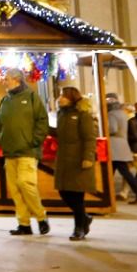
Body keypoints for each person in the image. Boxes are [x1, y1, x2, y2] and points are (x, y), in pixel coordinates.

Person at [0, 69, 50, 236]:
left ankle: (41, 217)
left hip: (28, 151)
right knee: (15, 190)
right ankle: (24, 224)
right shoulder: (5, 100)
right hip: (10, 151)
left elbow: (42, 120)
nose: (4, 81)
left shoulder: (32, 97)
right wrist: (1, 139)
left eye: (6, 79)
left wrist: (35, 141)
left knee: (26, 184)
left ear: (16, 80)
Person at [54, 87, 98, 240]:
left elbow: (90, 138)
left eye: (63, 96)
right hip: (64, 160)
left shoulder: (82, 114)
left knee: (77, 195)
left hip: (78, 160)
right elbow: (59, 133)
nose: (60, 98)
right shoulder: (62, 114)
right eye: (60, 96)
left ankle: (79, 227)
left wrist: (88, 157)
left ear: (72, 98)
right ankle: (85, 217)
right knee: (63, 191)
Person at [105, 93, 137, 204]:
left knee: (125, 173)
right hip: (122, 146)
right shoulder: (122, 113)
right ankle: (105, 195)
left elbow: (113, 129)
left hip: (115, 148)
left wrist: (102, 129)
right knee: (110, 173)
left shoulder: (111, 114)